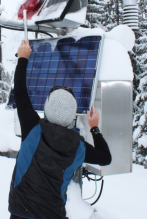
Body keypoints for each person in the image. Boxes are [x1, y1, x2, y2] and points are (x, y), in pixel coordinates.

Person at [9, 40, 112, 219]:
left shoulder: (32, 128)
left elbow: (20, 93)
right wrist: (94, 128)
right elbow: (105, 158)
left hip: (21, 214)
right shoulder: (78, 148)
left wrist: (24, 58)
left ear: (47, 108)